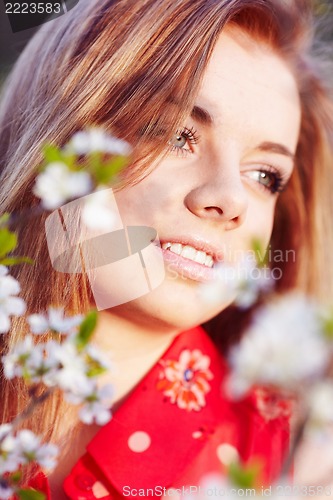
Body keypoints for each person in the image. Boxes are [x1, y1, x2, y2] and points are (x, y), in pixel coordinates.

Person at [0, 0, 332, 498]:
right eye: (177, 135)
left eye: (265, 176)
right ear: (63, 135)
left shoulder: (291, 463)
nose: (228, 199)